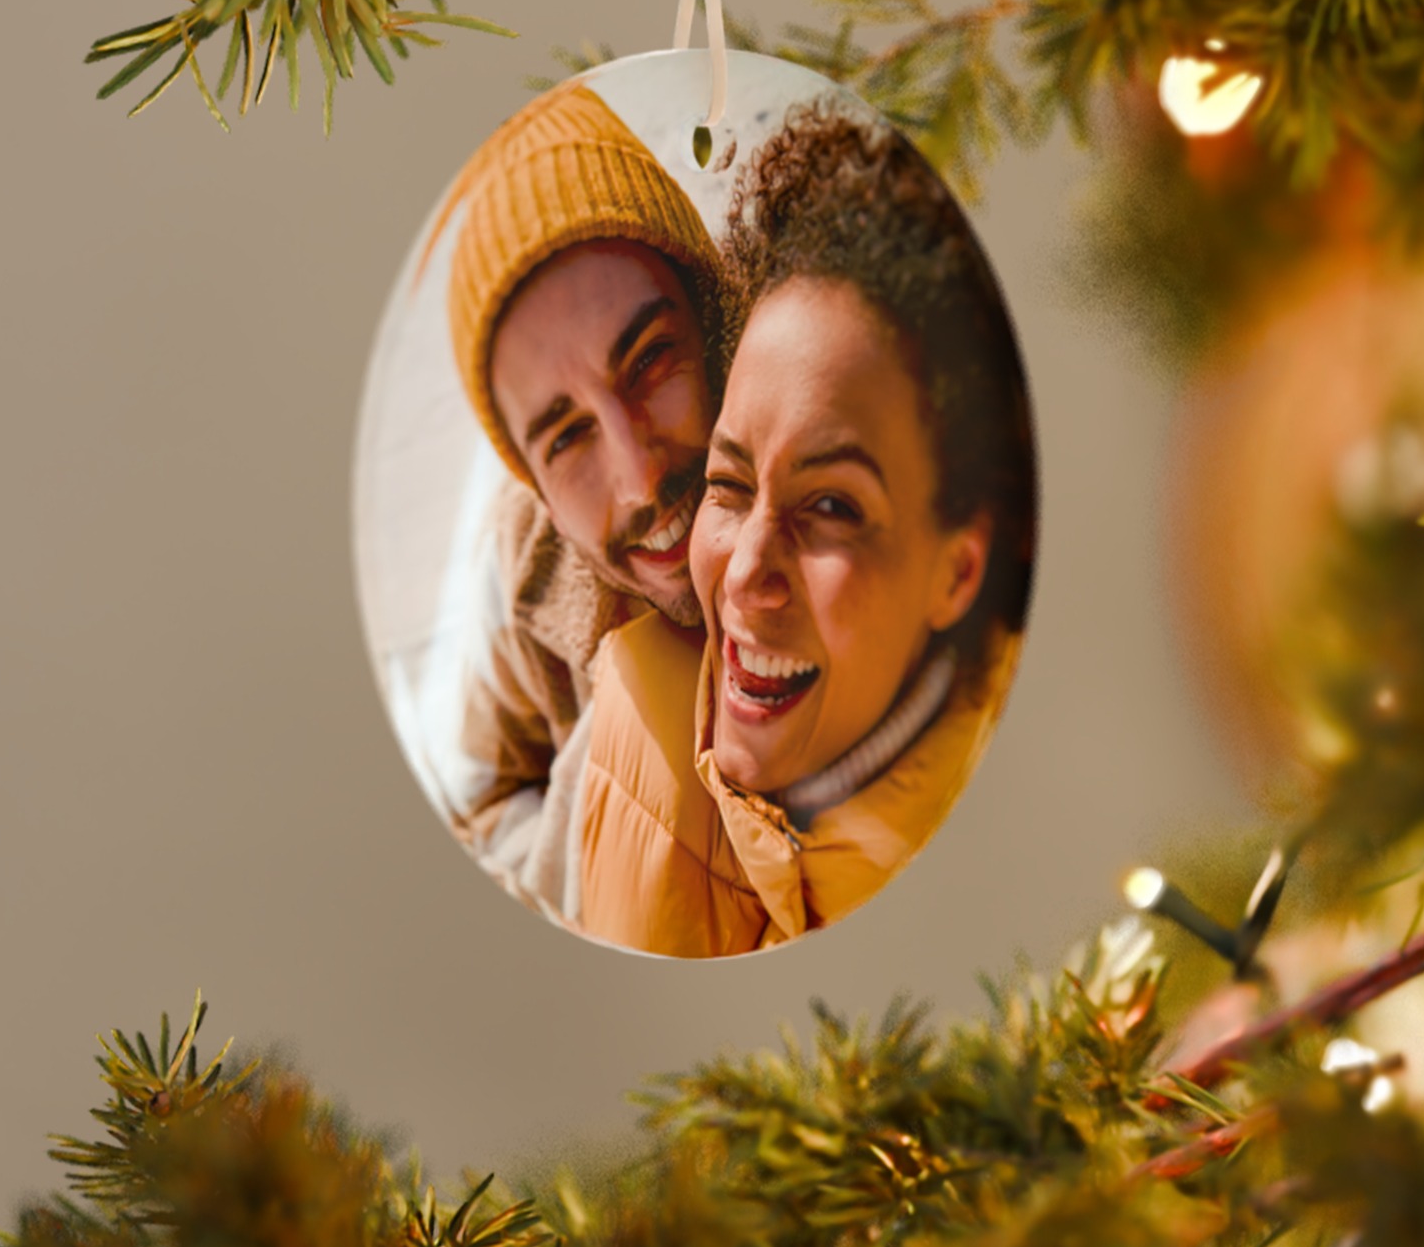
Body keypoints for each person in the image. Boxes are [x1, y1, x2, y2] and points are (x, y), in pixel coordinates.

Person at [577, 105, 1035, 956]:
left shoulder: (1011, 880)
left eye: (830, 506)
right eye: (728, 482)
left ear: (958, 572)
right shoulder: (631, 721)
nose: (747, 567)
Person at [431, 80, 723, 921]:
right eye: (566, 438)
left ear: (717, 317)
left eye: (650, 362)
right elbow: (479, 808)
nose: (637, 476)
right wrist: (601, 810)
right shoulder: (519, 564)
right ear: (531, 482)